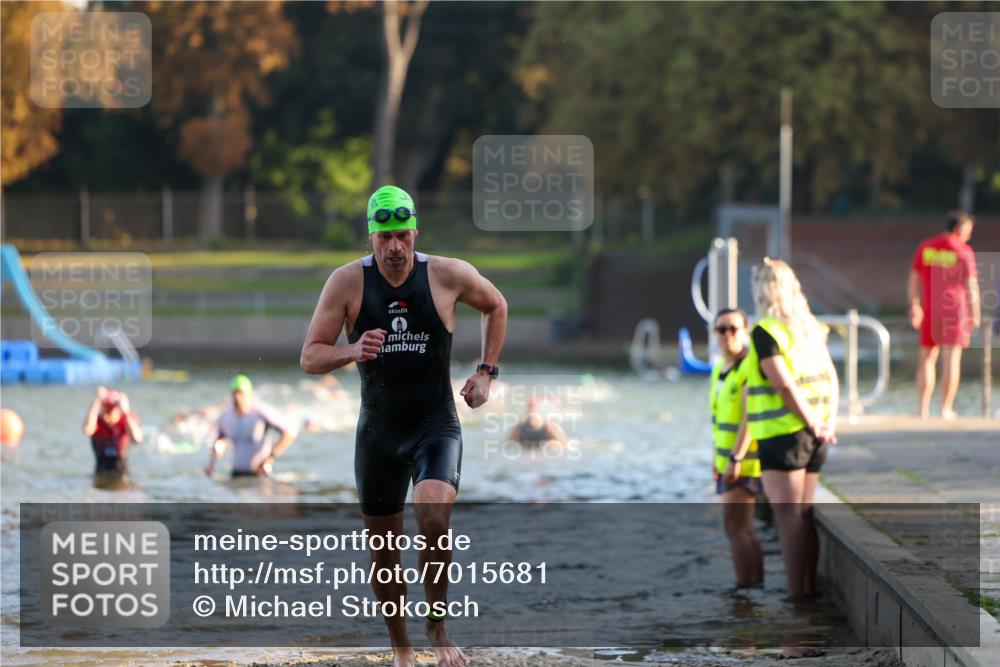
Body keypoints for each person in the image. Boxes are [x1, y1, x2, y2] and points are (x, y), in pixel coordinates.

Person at [301, 185, 507, 667]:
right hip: (378, 434)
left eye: (402, 235)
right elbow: (310, 356)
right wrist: (350, 349)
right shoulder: (347, 283)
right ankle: (402, 648)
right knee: (385, 556)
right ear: (371, 237)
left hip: (435, 424)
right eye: (384, 238)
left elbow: (497, 305)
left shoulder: (448, 275)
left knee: (434, 518)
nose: (395, 247)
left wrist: (485, 372)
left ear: (415, 231)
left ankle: (437, 625)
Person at [746, 258, 838, 601]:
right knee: (803, 514)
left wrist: (811, 421)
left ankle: (796, 593)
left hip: (784, 435)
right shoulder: (809, 328)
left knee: (787, 517)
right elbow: (832, 376)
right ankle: (807, 589)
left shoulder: (765, 331)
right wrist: (827, 422)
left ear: (762, 289)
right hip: (815, 435)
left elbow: (784, 387)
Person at [709, 308, 763, 588]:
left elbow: (749, 418)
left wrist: (736, 458)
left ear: (745, 332)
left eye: (734, 328)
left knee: (735, 528)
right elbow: (719, 422)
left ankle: (745, 592)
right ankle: (754, 587)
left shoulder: (747, 368)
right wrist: (716, 461)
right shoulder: (720, 368)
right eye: (721, 329)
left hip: (744, 462)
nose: (727, 334)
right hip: (726, 461)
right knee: (743, 529)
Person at [908, 211, 980, 419]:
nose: (969, 236)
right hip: (955, 310)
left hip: (929, 309)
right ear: (959, 229)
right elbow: (971, 285)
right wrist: (975, 314)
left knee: (927, 358)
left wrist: (914, 305)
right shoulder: (963, 251)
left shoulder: (926, 247)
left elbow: (914, 278)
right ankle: (945, 409)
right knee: (951, 358)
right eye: (968, 232)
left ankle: (922, 409)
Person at [204, 375, 296, 478]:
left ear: (249, 394)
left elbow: (289, 433)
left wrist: (271, 457)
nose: (237, 397)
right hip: (236, 475)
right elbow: (218, 442)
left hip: (260, 474)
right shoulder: (225, 417)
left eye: (241, 393)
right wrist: (211, 465)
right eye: (235, 393)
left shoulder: (261, 413)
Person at [83, 386, 143, 478]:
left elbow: (137, 439)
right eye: (106, 408)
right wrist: (97, 400)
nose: (108, 413)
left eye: (112, 409)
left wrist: (126, 411)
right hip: (100, 470)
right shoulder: (97, 421)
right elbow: (87, 430)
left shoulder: (127, 420)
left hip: (121, 470)